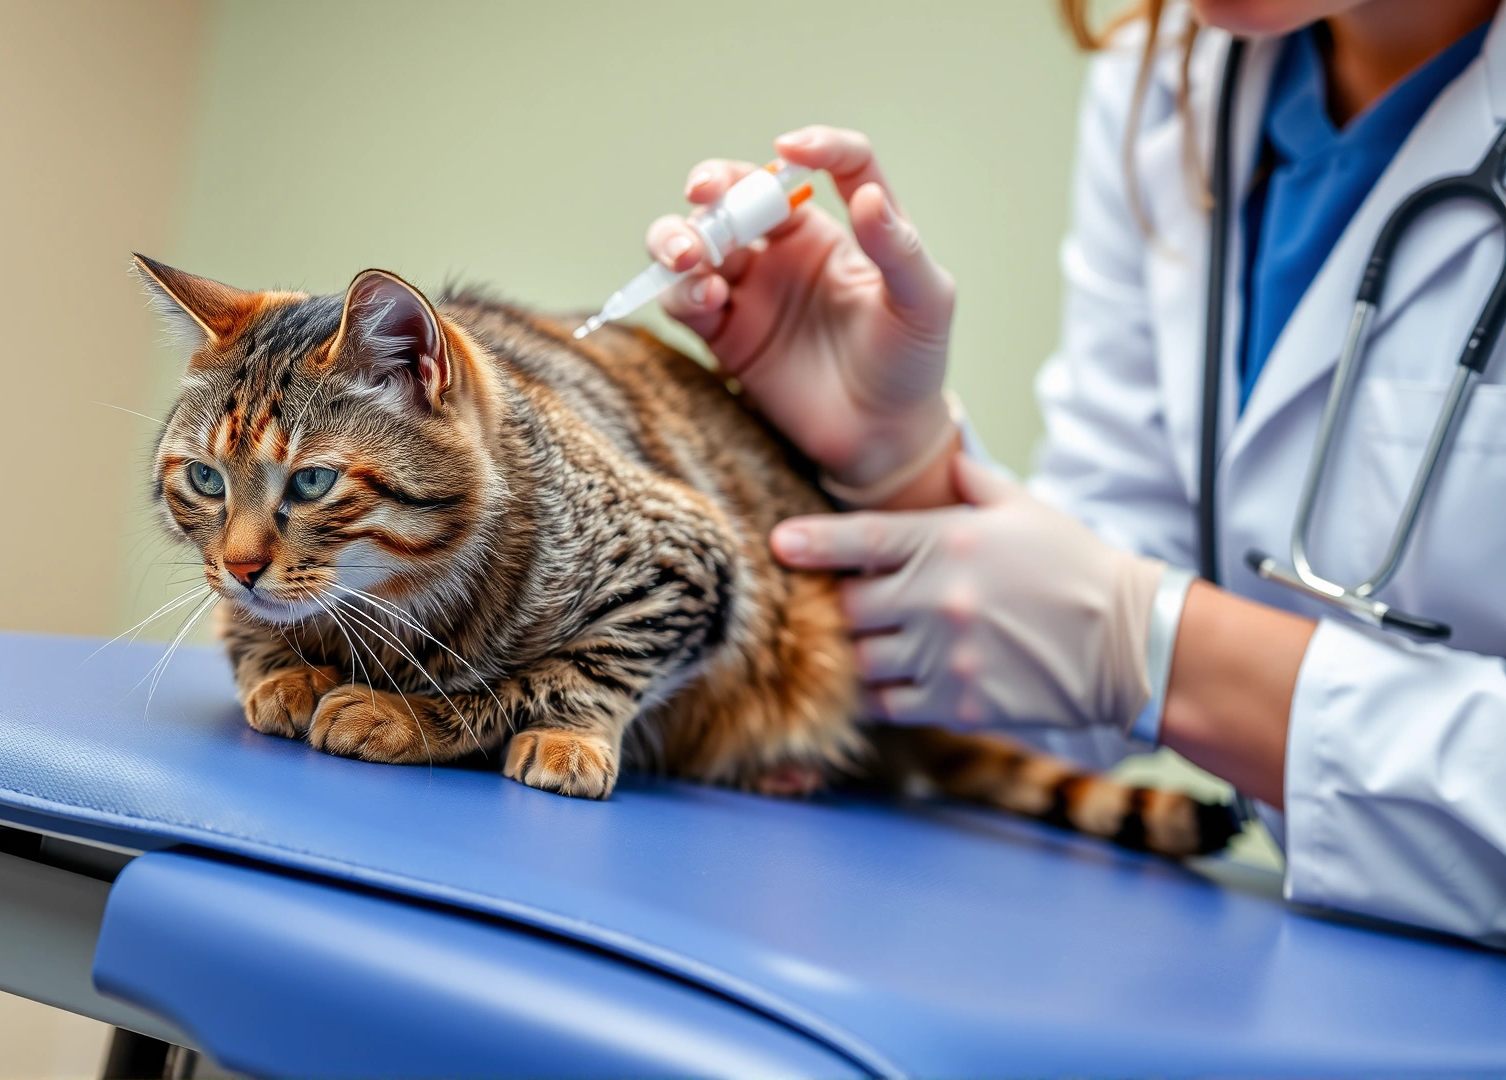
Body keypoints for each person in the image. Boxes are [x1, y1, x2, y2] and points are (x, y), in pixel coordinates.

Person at [643, 0, 1506, 947]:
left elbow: (1128, 629)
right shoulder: (1174, 75)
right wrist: (901, 462)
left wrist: (1156, 650)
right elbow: (1109, 568)